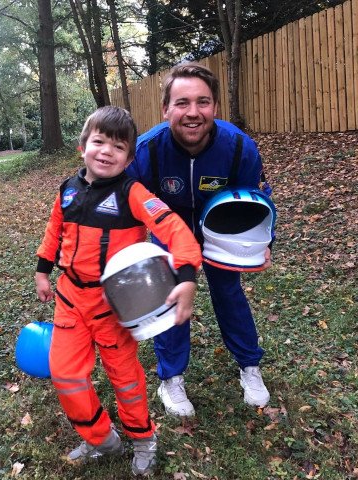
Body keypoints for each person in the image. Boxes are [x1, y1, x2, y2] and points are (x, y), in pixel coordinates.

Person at [35, 106, 202, 476]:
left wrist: (187, 275)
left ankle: (143, 437)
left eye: (118, 146)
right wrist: (43, 270)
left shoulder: (134, 193)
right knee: (65, 374)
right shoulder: (67, 190)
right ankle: (101, 439)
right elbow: (54, 229)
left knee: (125, 379)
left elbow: (175, 228)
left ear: (129, 157)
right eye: (99, 141)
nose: (106, 151)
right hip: (69, 299)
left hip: (113, 306)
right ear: (83, 146)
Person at [126, 62, 273, 416]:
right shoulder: (145, 151)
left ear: (215, 107)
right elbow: (119, 203)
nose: (193, 113)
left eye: (203, 102)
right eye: (182, 103)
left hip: (221, 231)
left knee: (228, 292)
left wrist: (266, 242)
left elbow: (259, 198)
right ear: (165, 109)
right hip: (170, 233)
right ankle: (171, 378)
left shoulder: (240, 148)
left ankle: (250, 366)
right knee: (171, 299)